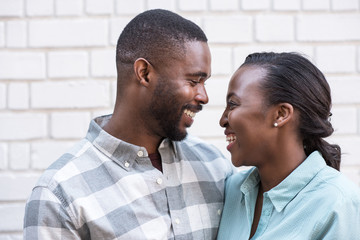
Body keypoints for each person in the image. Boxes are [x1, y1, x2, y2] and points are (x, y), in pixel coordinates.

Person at [24, 9, 234, 239]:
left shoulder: (215, 166)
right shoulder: (60, 195)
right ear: (144, 73)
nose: (204, 96)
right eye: (194, 81)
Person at [216, 52, 360, 239]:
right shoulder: (232, 190)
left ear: (281, 114)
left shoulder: (338, 203)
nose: (222, 120)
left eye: (233, 105)